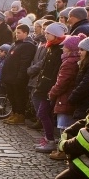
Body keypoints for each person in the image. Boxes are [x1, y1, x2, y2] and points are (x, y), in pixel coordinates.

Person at [47, 34, 86, 159]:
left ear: (70, 48)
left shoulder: (69, 62)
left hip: (65, 97)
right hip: (69, 95)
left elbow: (62, 82)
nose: (62, 48)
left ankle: (63, 150)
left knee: (64, 127)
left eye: (65, 46)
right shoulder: (74, 61)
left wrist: (52, 93)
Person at [33, 22, 66, 153]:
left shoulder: (59, 50)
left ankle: (50, 140)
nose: (45, 35)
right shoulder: (51, 48)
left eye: (48, 33)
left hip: (49, 88)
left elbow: (55, 72)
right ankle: (48, 138)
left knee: (43, 113)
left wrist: (50, 88)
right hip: (44, 85)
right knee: (44, 113)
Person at [2, 24, 36, 125]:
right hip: (10, 76)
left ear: (26, 33)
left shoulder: (28, 45)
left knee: (19, 97)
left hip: (17, 77)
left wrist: (20, 77)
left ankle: (20, 115)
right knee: (12, 96)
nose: (16, 34)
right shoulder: (16, 44)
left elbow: (24, 63)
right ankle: (15, 112)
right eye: (16, 32)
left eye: (19, 33)